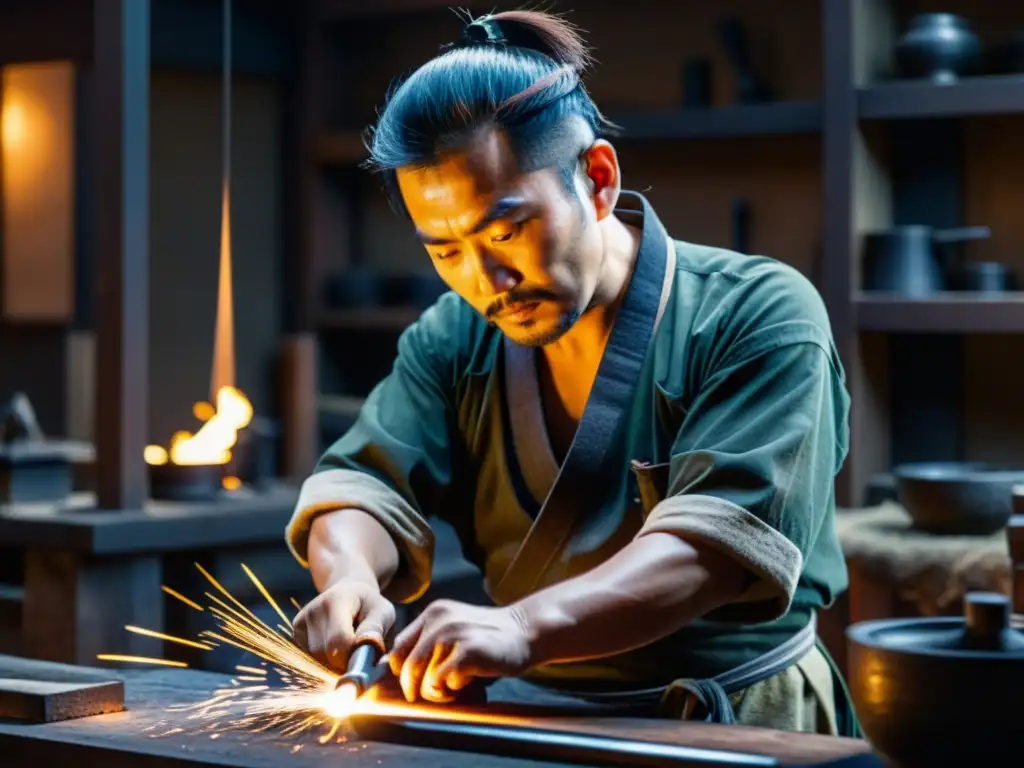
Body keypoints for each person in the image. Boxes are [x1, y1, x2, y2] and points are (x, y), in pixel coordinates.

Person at [287, 9, 858, 736]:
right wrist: (350, 580)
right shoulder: (454, 337)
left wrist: (523, 627)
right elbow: (365, 483)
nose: (485, 278)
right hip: (524, 720)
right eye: (444, 250)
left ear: (596, 177)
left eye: (505, 230)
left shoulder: (760, 315)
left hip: (734, 720)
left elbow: (712, 552)